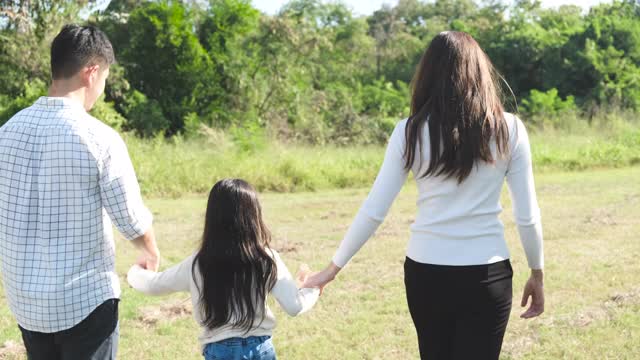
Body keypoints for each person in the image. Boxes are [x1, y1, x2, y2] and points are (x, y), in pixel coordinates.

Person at [304, 31, 545, 360]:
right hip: (487, 275)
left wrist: (330, 271)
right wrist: (537, 273)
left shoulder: (410, 131)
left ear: (428, 74)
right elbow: (527, 215)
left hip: (426, 274)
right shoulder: (510, 129)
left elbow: (375, 209)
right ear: (480, 72)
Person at [0, 24, 159, 359]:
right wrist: (149, 252)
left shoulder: (6, 133)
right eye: (104, 80)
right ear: (92, 72)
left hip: (27, 305)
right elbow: (130, 219)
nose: (101, 89)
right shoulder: (99, 138)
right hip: (84, 303)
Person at [127, 179, 319, 360]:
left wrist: (134, 272)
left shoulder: (198, 263)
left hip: (220, 349)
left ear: (211, 217)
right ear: (254, 216)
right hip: (261, 348)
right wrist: (312, 289)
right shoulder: (267, 258)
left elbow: (154, 285)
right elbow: (295, 306)